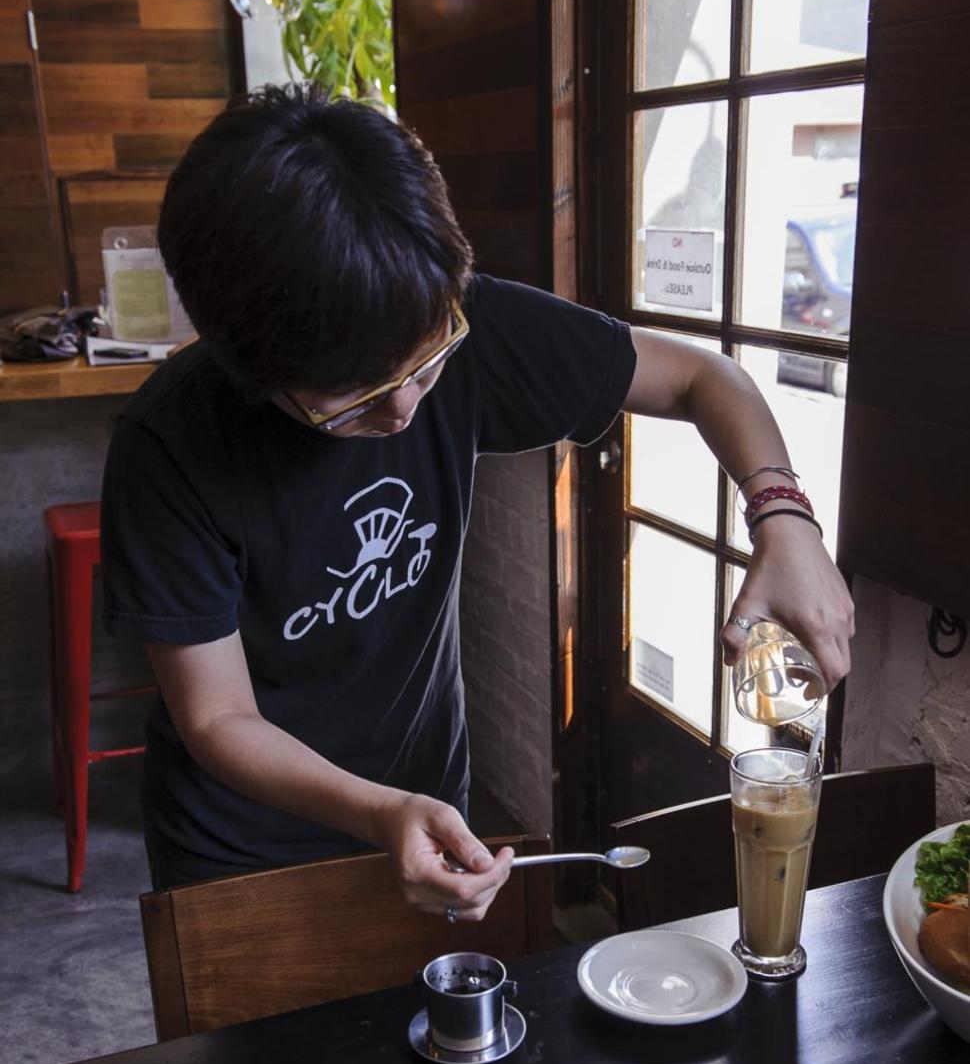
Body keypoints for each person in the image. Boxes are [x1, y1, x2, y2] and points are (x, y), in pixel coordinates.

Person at [100, 84, 854, 920]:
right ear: (251, 373)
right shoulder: (170, 445)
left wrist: (784, 518)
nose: (402, 411)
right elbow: (217, 718)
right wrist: (379, 811)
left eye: (426, 366)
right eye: (351, 400)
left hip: (428, 808)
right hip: (243, 855)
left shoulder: (452, 317)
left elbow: (706, 379)